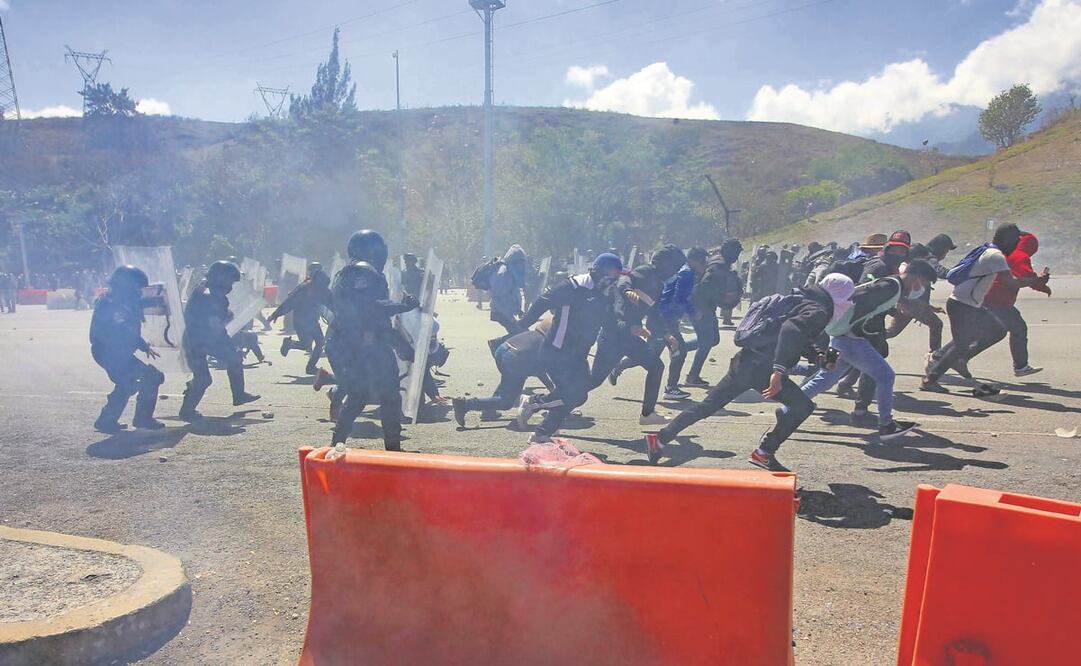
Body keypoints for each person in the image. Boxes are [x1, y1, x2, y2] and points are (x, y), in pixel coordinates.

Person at [645, 278, 839, 471]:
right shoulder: (817, 310)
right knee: (802, 406)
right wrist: (778, 372)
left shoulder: (800, 299)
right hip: (763, 369)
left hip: (745, 361)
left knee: (708, 406)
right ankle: (764, 452)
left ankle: (660, 439)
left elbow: (791, 338)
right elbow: (790, 332)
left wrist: (818, 357)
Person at [792, 261, 939, 439]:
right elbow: (860, 297)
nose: (922, 289)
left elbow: (895, 302)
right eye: (924, 284)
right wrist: (857, 324)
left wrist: (924, 308)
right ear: (917, 278)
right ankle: (886, 425)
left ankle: (787, 408)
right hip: (850, 339)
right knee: (886, 376)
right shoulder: (890, 286)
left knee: (825, 378)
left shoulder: (893, 285)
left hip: (838, 336)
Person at [923, 223, 1048, 393]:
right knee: (962, 343)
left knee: (997, 330)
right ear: (1007, 239)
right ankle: (930, 378)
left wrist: (1035, 281)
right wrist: (1037, 280)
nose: (1016, 245)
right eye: (1015, 241)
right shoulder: (995, 256)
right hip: (962, 304)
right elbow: (1011, 282)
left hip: (969, 303)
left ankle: (951, 362)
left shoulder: (986, 249)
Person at [325, 230, 419, 451]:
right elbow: (371, 309)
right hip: (368, 344)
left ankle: (336, 444)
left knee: (358, 396)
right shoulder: (363, 273)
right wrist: (402, 306)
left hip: (352, 343)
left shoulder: (346, 273)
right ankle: (393, 448)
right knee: (388, 396)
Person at [515, 253, 623, 443]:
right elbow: (543, 301)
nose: (614, 279)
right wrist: (523, 323)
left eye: (618, 275)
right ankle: (540, 429)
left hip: (577, 355)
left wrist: (625, 336)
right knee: (572, 394)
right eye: (612, 273)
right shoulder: (574, 286)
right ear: (598, 271)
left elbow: (611, 323)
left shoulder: (607, 294)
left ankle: (536, 408)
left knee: (578, 396)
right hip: (557, 351)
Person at [592, 244, 686, 426]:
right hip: (615, 334)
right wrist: (627, 290)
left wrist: (666, 334)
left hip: (626, 336)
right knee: (594, 380)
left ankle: (648, 414)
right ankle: (549, 401)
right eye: (675, 268)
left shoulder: (658, 284)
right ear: (667, 265)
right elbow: (623, 280)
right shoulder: (646, 272)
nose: (675, 272)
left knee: (656, 366)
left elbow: (655, 313)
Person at [959, 231, 1051, 376]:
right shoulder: (1021, 255)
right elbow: (1027, 277)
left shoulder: (1005, 253)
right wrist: (1042, 282)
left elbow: (1023, 278)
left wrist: (1040, 285)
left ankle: (949, 357)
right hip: (999, 300)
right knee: (1016, 329)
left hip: (986, 297)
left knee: (980, 332)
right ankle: (1020, 366)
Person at [179, 261, 261, 420]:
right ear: (220, 278)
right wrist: (232, 335)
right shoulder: (213, 296)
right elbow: (214, 326)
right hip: (201, 341)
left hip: (195, 338)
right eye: (229, 280)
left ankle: (238, 394)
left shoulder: (202, 287)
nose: (230, 285)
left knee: (232, 360)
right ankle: (187, 411)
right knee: (204, 379)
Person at [89, 266, 166, 433]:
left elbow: (130, 323)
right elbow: (122, 330)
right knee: (150, 377)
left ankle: (106, 420)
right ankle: (143, 418)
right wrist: (141, 344)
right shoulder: (113, 304)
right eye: (137, 288)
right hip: (110, 352)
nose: (139, 292)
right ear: (128, 287)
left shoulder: (118, 301)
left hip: (115, 352)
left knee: (128, 384)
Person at [452, 317, 551, 427]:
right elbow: (543, 370)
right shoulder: (554, 344)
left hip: (503, 348)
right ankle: (464, 405)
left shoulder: (546, 326)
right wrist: (553, 389)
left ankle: (488, 411)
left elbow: (541, 369)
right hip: (515, 360)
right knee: (506, 402)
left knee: (509, 382)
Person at [656, 247, 708, 399]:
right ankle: (671, 388)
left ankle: (619, 367)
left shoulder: (687, 272)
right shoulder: (687, 274)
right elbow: (679, 298)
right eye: (702, 262)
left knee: (652, 352)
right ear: (692, 261)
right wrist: (692, 312)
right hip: (666, 316)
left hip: (667, 316)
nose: (704, 265)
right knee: (680, 350)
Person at [269, 262, 332, 375]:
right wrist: (276, 314)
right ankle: (311, 367)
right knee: (320, 341)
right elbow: (289, 302)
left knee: (306, 344)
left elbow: (332, 302)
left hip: (305, 321)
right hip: (306, 320)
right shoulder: (305, 288)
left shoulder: (313, 287)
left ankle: (290, 344)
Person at [489, 244, 528, 335]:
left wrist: (517, 309)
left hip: (507, 311)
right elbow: (498, 295)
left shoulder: (510, 272)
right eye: (519, 262)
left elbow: (513, 293)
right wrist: (509, 315)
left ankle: (498, 345)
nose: (521, 265)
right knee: (520, 334)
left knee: (518, 334)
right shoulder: (504, 272)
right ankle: (497, 346)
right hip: (500, 311)